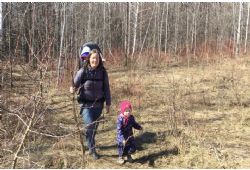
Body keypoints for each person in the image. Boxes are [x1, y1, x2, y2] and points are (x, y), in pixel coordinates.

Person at [72, 48, 111, 160]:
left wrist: (108, 103)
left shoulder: (103, 72)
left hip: (98, 105)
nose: (95, 60)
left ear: (100, 59)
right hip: (86, 106)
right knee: (90, 126)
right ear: (89, 59)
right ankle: (92, 150)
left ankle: (89, 145)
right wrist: (72, 88)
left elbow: (107, 89)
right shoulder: (83, 71)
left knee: (93, 130)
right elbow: (74, 85)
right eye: (93, 58)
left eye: (97, 58)